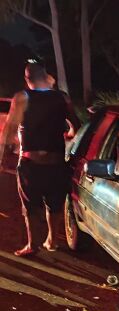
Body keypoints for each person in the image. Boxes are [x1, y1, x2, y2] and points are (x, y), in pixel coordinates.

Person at [0, 61, 80, 256]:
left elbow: (10, 130)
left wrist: (2, 158)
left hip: (30, 163)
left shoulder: (22, 98)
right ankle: (52, 241)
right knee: (54, 203)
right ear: (45, 76)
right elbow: (75, 126)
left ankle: (32, 245)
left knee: (30, 205)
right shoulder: (62, 98)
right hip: (56, 163)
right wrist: (68, 136)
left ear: (27, 79)